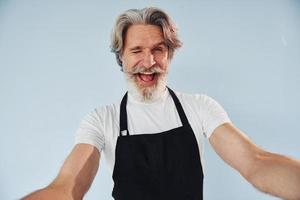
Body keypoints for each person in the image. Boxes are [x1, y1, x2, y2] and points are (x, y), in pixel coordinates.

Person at [22, 7, 300, 200]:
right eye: (137, 51)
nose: (149, 62)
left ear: (169, 55)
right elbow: (68, 186)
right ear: (121, 58)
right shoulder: (100, 121)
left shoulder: (199, 108)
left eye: (158, 49)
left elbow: (256, 162)